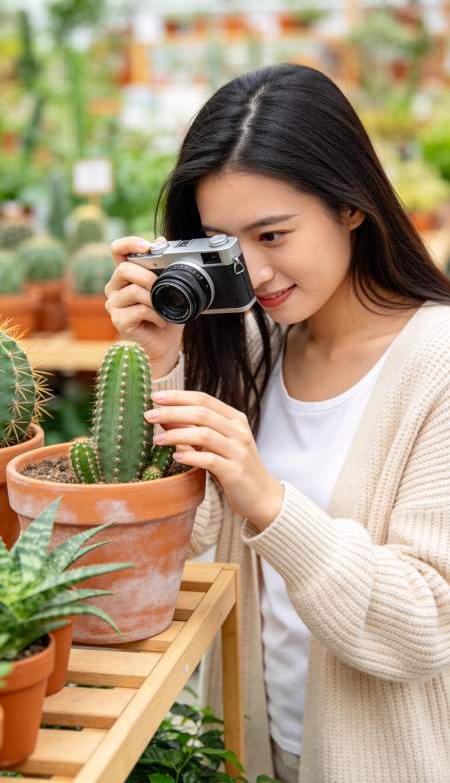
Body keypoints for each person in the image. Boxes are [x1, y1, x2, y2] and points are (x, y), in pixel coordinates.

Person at [104, 64, 450, 783]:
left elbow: (424, 624)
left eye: (272, 234)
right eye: (224, 245)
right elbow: (182, 544)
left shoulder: (436, 365)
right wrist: (161, 363)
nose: (255, 272)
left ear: (350, 206)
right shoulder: (253, 346)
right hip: (256, 750)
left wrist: (268, 501)